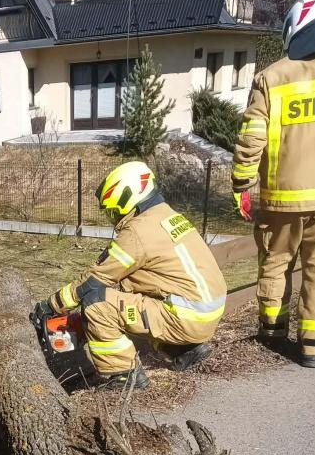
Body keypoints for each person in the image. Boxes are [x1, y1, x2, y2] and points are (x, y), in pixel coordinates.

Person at [35, 161, 227, 389]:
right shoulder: (167, 215)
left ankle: (124, 375)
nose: (114, 218)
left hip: (187, 317)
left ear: (128, 199)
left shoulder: (137, 231)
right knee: (138, 300)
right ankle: (186, 349)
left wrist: (52, 305)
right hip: (206, 312)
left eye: (114, 211)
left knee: (96, 304)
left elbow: (95, 280)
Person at [231, 0, 315, 368]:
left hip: (282, 198)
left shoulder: (272, 78)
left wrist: (241, 185)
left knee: (276, 261)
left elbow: (251, 138)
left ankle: (272, 331)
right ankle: (312, 346)